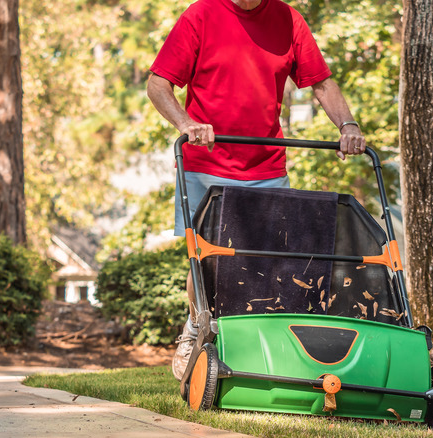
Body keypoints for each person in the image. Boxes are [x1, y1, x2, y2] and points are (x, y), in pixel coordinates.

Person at [147, 0, 367, 380]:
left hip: (266, 166)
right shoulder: (202, 15)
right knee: (206, 260)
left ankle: (260, 345)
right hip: (207, 163)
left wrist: (347, 125)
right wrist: (185, 123)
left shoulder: (287, 20)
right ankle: (196, 330)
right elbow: (157, 84)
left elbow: (321, 83)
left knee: (271, 263)